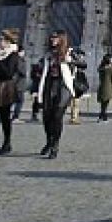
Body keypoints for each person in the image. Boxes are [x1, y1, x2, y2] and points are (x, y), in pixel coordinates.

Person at [36, 30, 81, 159]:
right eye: (52, 37)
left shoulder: (69, 52)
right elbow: (42, 70)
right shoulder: (48, 54)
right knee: (46, 117)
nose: (52, 39)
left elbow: (83, 64)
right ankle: (49, 140)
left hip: (63, 86)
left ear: (61, 39)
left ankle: (55, 145)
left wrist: (70, 61)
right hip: (50, 85)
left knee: (57, 116)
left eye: (55, 37)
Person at [68, 48, 89, 125]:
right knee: (75, 102)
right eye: (81, 55)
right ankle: (74, 117)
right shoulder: (72, 62)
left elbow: (84, 65)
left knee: (76, 102)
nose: (82, 57)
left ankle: (74, 117)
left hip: (78, 85)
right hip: (73, 84)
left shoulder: (78, 63)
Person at [96, 53, 112, 121]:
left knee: (103, 103)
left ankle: (102, 115)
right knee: (106, 102)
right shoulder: (111, 69)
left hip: (102, 87)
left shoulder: (101, 68)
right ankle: (103, 115)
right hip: (109, 87)